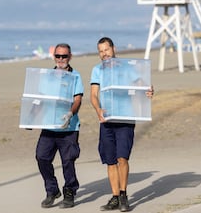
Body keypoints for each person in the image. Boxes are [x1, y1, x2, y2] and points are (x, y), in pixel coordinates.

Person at [90, 37, 154, 212]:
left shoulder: (128, 67)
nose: (104, 54)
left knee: (122, 158)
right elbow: (94, 94)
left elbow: (141, 84)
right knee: (110, 161)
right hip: (107, 119)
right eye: (100, 51)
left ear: (113, 48)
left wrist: (148, 89)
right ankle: (115, 197)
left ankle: (124, 194)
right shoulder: (97, 70)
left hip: (125, 118)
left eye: (106, 49)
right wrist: (98, 110)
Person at [35, 43, 84, 208]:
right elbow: (40, 99)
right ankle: (52, 190)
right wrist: (32, 117)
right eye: (58, 56)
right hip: (49, 126)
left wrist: (71, 113)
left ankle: (69, 191)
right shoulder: (47, 76)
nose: (61, 59)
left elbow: (78, 99)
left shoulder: (75, 76)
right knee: (41, 157)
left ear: (70, 57)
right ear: (54, 57)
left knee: (68, 161)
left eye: (64, 56)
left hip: (68, 128)